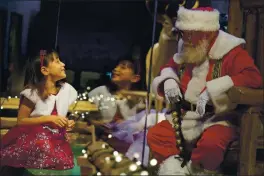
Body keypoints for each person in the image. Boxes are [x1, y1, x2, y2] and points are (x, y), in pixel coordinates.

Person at [148, 6, 263, 175]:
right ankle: (175, 171)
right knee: (156, 135)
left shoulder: (231, 52)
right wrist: (169, 81)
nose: (184, 39)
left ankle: (199, 171)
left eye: (189, 34)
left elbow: (253, 78)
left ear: (207, 34)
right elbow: (169, 67)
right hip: (184, 116)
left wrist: (215, 89)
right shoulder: (187, 48)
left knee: (212, 144)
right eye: (183, 33)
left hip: (217, 117)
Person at [0, 50, 78, 175]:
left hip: (56, 141)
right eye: (57, 61)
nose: (63, 64)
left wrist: (65, 122)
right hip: (34, 141)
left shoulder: (66, 90)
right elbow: (21, 121)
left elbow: (58, 116)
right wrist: (48, 119)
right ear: (45, 70)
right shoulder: (33, 93)